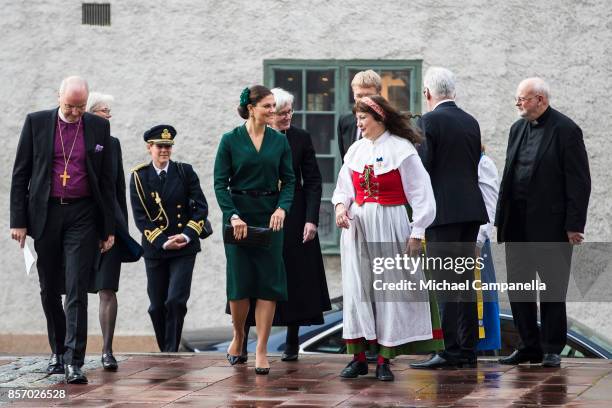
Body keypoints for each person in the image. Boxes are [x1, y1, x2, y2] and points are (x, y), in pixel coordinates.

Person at [10, 76, 115, 384]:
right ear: (59, 98)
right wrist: (18, 221)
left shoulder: (98, 127)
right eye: (70, 106)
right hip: (46, 213)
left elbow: (107, 181)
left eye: (81, 106)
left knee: (77, 287)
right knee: (49, 287)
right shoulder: (36, 123)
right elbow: (21, 174)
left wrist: (108, 228)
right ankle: (56, 351)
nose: (75, 112)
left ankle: (74, 360)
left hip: (83, 214)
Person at [332, 95, 443, 382]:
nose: (359, 123)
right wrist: (341, 208)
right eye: (357, 118)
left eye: (363, 118)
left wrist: (417, 232)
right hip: (358, 228)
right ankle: (358, 358)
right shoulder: (356, 150)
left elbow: (422, 194)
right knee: (359, 290)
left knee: (388, 291)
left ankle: (384, 359)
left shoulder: (401, 149)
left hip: (390, 225)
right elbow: (343, 188)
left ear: (379, 118)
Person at [496, 78, 590, 367]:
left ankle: (551, 347)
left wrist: (574, 225)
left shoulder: (566, 130)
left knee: (552, 289)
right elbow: (510, 175)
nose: (518, 104)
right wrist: (499, 220)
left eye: (523, 99)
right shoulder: (516, 129)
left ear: (540, 99)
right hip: (517, 224)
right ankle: (528, 346)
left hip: (551, 226)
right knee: (519, 289)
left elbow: (579, 181)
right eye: (517, 99)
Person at [238, 88, 331, 362]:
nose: (287, 117)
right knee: (252, 275)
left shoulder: (300, 138)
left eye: (290, 111)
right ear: (267, 113)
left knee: (294, 277)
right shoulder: (249, 137)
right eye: (281, 113)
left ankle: (292, 343)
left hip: (294, 216)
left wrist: (311, 219)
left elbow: (313, 181)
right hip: (258, 212)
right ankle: (242, 343)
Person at [410, 67, 489, 370]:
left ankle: (448, 348)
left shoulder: (428, 121)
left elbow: (423, 167)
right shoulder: (470, 121)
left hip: (443, 211)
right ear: (453, 91)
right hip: (470, 210)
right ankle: (467, 349)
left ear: (428, 93)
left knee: (444, 283)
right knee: (465, 281)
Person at [214, 85, 296, 375]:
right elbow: (219, 183)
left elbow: (289, 181)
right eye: (267, 106)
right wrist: (232, 215)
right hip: (239, 218)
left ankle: (261, 348)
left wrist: (281, 208)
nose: (272, 111)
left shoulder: (279, 141)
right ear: (251, 108)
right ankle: (239, 336)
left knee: (268, 285)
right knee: (240, 286)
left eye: (274, 106)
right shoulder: (230, 141)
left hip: (270, 217)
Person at [130, 125, 208, 352]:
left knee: (175, 301)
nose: (164, 150)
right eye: (160, 146)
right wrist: (163, 240)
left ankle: (171, 351)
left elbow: (201, 209)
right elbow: (140, 217)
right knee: (156, 306)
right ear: (149, 147)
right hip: (156, 248)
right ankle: (165, 350)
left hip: (184, 247)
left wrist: (186, 235)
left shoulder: (185, 172)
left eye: (168, 146)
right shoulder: (139, 176)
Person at [86, 92, 141, 370]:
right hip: (81, 227)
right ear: (91, 113)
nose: (110, 115)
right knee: (74, 291)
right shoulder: (75, 141)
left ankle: (107, 350)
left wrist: (120, 229)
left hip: (110, 228)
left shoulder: (113, 143)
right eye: (105, 110)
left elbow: (118, 187)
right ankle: (70, 351)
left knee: (107, 288)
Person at [475, 145, 501, 352]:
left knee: (479, 295)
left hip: (475, 240)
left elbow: (489, 205)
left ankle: (482, 348)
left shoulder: (483, 163)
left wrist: (479, 238)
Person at [337, 70, 382, 159]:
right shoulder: (345, 121)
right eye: (359, 96)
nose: (363, 100)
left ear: (379, 95)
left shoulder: (389, 121)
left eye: (369, 95)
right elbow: (345, 161)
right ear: (353, 95)